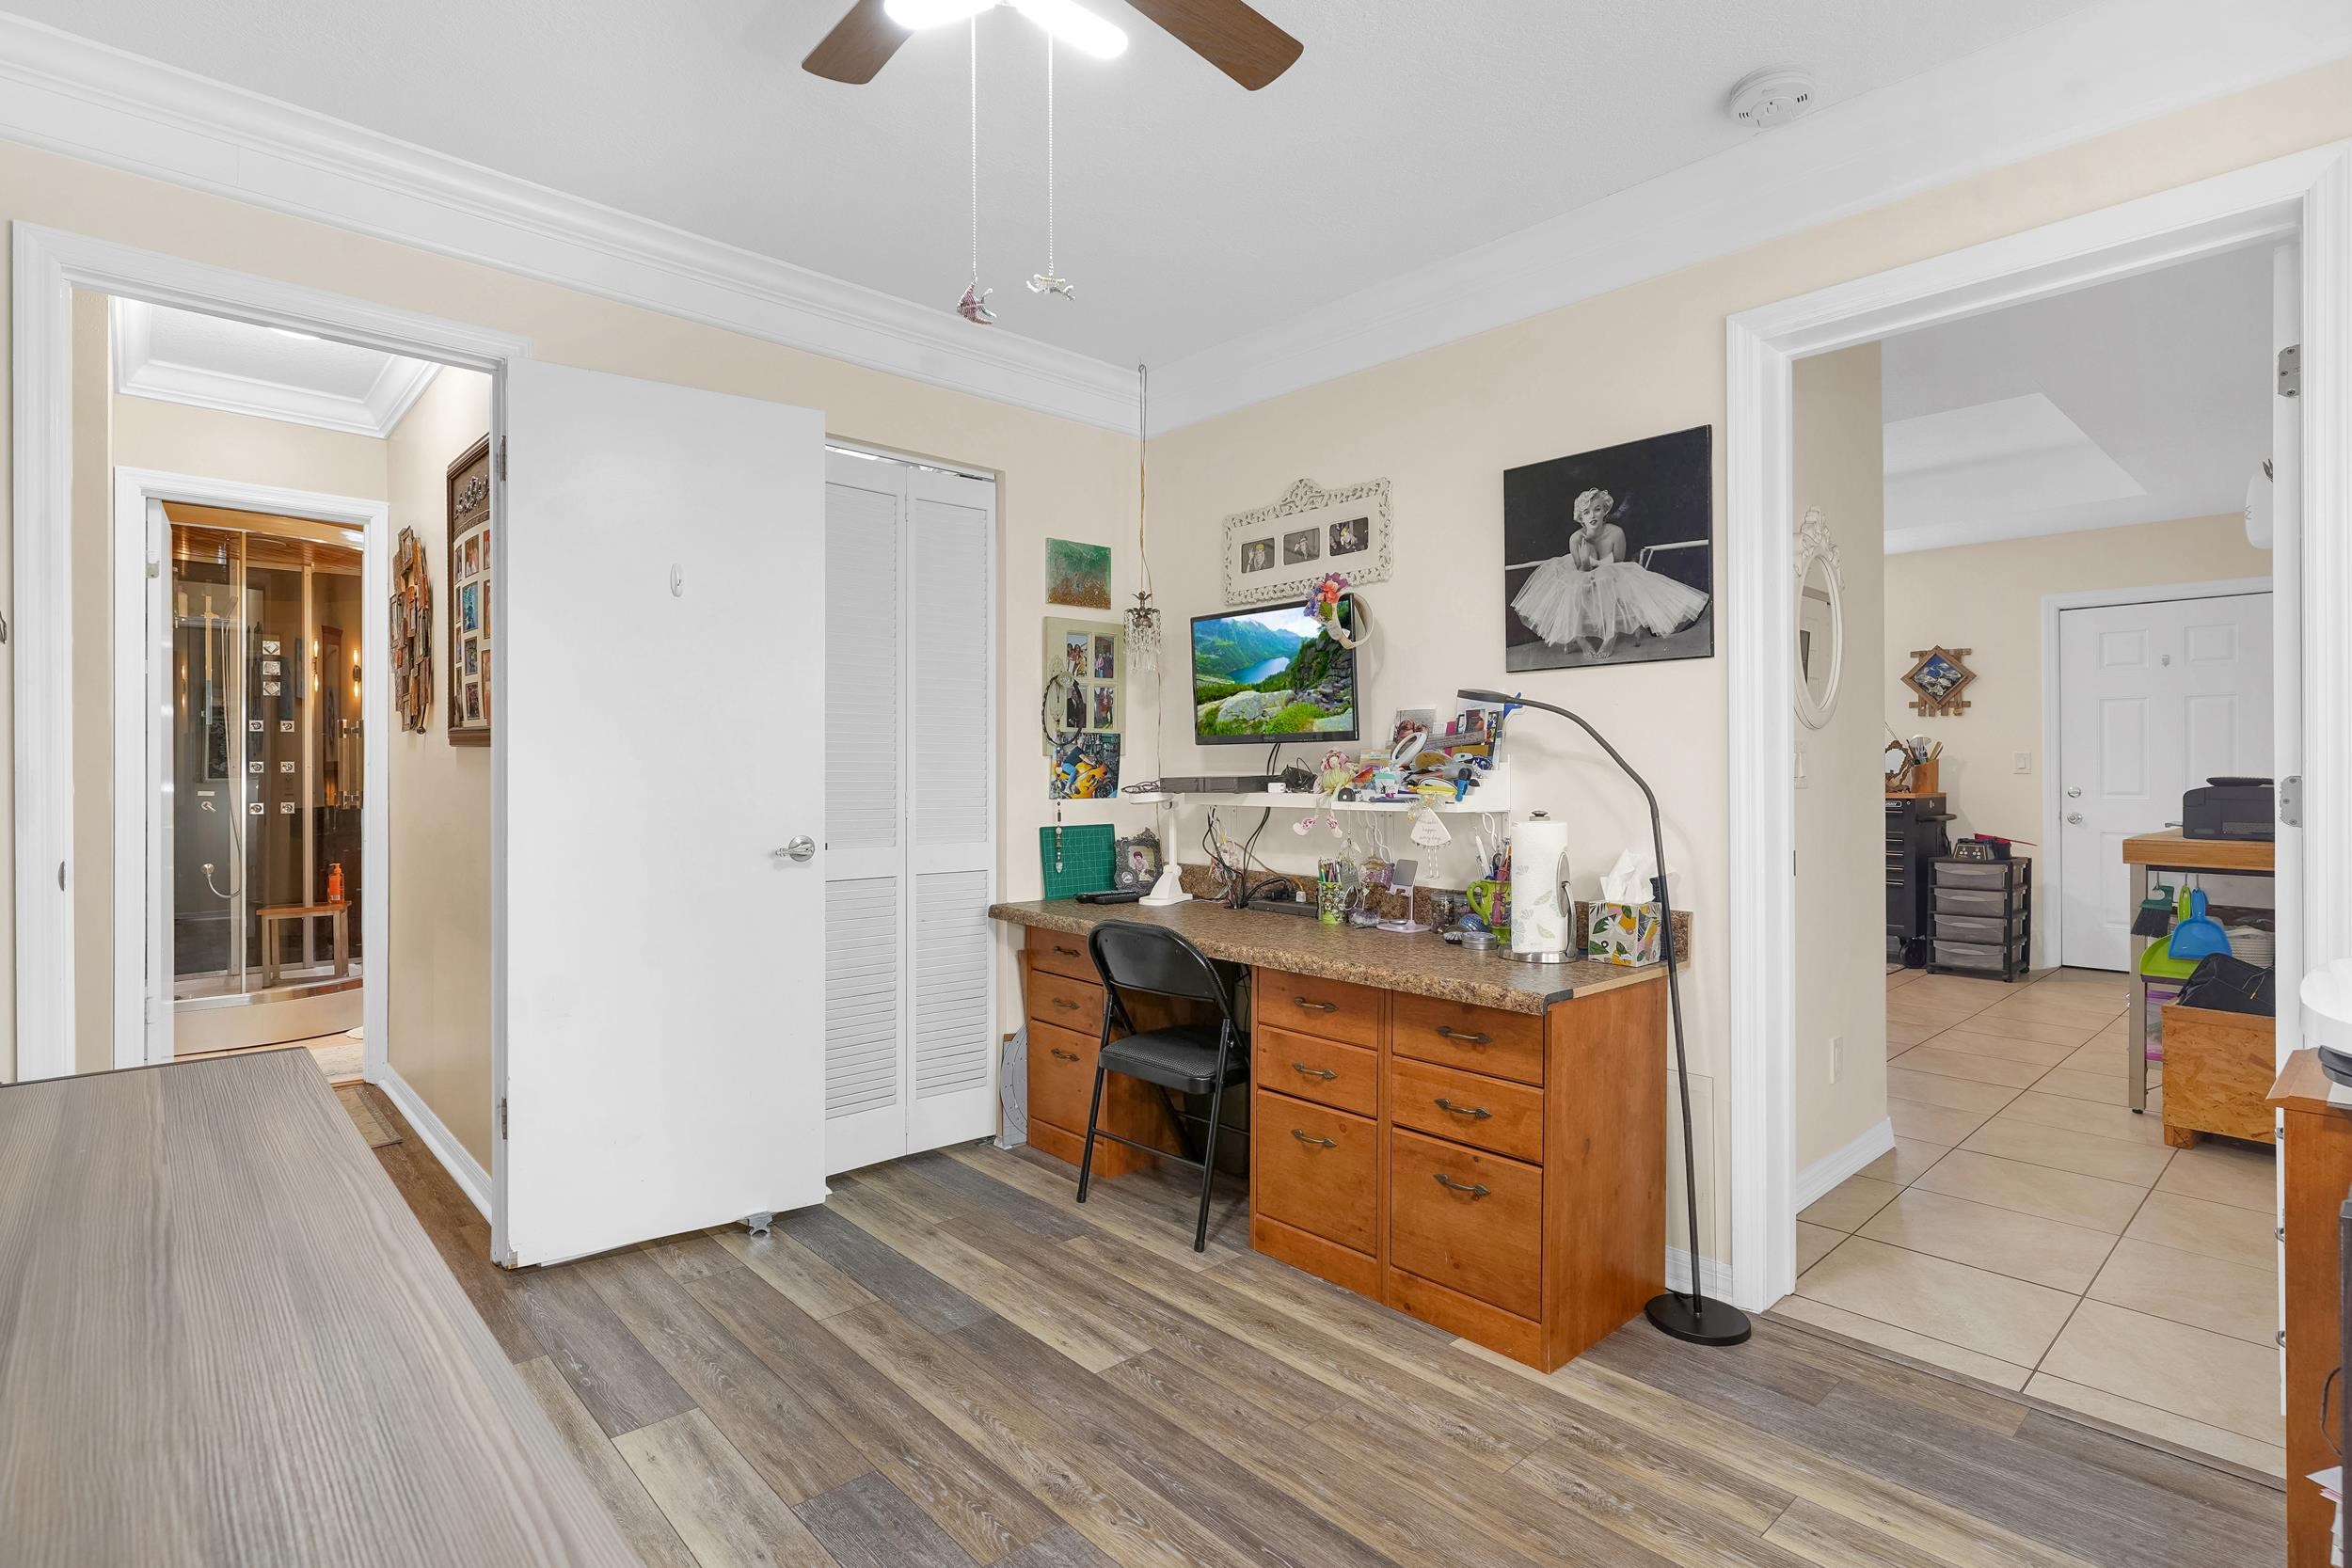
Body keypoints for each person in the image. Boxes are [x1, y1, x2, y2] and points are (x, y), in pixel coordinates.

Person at [1511, 486, 1709, 658]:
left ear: (1605, 511)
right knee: (1576, 585)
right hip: (1582, 571)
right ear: (1580, 518)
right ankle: (1579, 638)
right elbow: (1583, 570)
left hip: (1611, 572)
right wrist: (1586, 546)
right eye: (1587, 513)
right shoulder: (1575, 538)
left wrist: (1600, 570)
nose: (1593, 516)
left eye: (1597, 510)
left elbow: (1619, 564)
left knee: (1605, 579)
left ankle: (1609, 635)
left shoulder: (1616, 533)